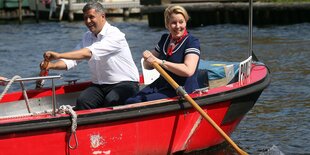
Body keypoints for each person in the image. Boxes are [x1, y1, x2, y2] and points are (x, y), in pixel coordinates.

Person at [41, 2, 139, 110]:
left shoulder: (115, 35)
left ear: (102, 17)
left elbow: (88, 53)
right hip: (99, 86)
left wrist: (58, 55)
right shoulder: (87, 37)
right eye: (85, 18)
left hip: (125, 84)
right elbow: (71, 61)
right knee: (82, 102)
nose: (88, 21)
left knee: (112, 100)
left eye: (91, 17)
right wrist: (51, 66)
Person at [126, 5, 200, 104]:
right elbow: (147, 66)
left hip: (181, 89)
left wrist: (160, 62)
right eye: (173, 23)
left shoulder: (191, 41)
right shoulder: (165, 39)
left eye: (181, 22)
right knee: (130, 100)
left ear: (185, 22)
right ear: (167, 25)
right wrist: (147, 58)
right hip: (161, 85)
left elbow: (188, 70)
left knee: (135, 103)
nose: (178, 26)